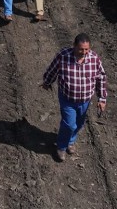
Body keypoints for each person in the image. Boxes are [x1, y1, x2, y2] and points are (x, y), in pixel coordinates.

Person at [41, 33, 107, 161]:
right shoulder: (63, 56)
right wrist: (47, 82)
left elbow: (101, 79)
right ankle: (61, 146)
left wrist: (102, 99)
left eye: (86, 49)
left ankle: (70, 141)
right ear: (74, 46)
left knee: (79, 123)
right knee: (69, 124)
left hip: (85, 100)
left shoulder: (94, 59)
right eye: (81, 49)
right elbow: (52, 70)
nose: (84, 52)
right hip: (67, 99)